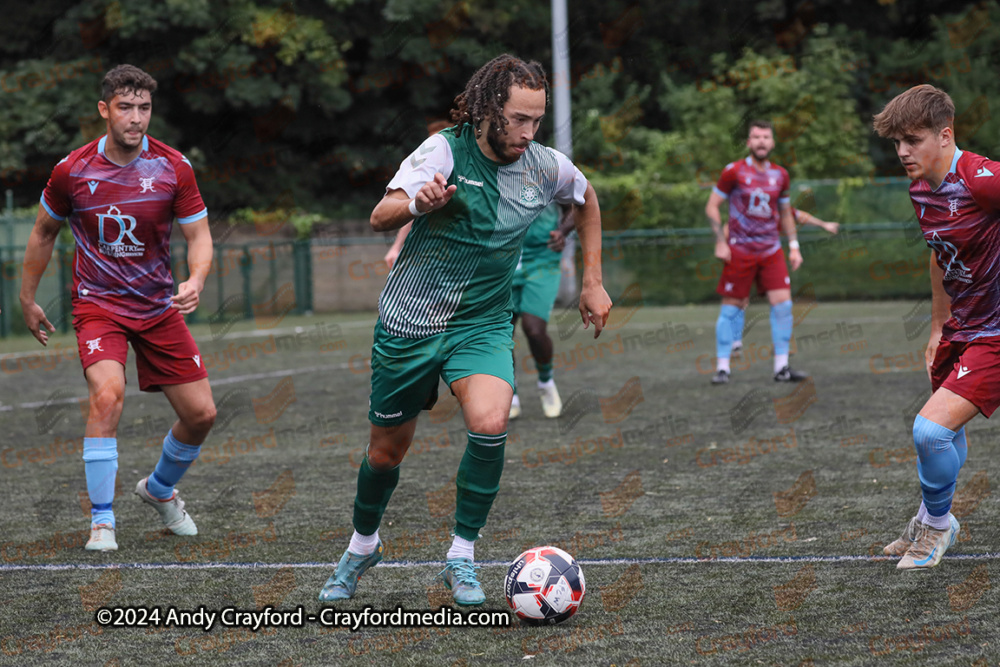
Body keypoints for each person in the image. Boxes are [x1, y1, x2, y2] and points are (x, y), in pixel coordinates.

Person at [318, 54, 612, 605]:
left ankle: (461, 557)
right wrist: (416, 202)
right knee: (385, 454)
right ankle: (361, 546)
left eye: (537, 120)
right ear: (488, 109)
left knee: (490, 420)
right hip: (410, 323)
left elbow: (587, 199)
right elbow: (382, 214)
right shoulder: (443, 151)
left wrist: (592, 281)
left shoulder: (545, 165)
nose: (529, 132)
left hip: (481, 324)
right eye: (519, 119)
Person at [19, 64, 216, 552]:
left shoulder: (174, 167)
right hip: (98, 305)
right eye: (125, 107)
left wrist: (196, 277)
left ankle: (159, 489)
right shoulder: (72, 170)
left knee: (202, 415)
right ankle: (102, 522)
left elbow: (199, 236)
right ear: (104, 110)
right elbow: (44, 233)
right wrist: (27, 298)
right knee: (107, 395)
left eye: (144, 108)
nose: (136, 118)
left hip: (157, 305)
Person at [873, 84, 998, 569]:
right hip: (960, 329)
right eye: (896, 143)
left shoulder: (982, 179)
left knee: (929, 432)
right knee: (947, 433)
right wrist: (936, 327)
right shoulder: (921, 187)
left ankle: (940, 528)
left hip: (996, 334)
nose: (903, 152)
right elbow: (939, 256)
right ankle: (930, 515)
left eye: (912, 140)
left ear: (945, 135)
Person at [705, 120, 806, 384]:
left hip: (771, 249)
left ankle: (781, 368)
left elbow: (785, 213)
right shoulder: (733, 172)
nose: (761, 141)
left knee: (783, 305)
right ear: (749, 142)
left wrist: (794, 246)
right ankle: (723, 368)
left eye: (766, 137)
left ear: (772, 142)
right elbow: (712, 206)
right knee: (732, 307)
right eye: (756, 137)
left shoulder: (781, 175)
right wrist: (720, 241)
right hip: (740, 249)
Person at [726, 207, 839, 357]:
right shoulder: (751, 205)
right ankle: (735, 345)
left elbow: (800, 215)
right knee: (740, 300)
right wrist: (724, 245)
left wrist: (823, 224)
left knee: (781, 301)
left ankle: (780, 345)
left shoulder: (779, 205)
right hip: (744, 257)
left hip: (768, 259)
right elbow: (728, 227)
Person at [509, 202, 575, 420]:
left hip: (542, 257)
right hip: (501, 257)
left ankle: (546, 382)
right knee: (501, 333)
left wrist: (562, 231)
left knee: (534, 329)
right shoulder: (486, 168)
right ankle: (509, 392)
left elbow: (576, 205)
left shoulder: (551, 168)